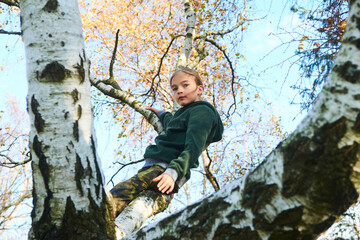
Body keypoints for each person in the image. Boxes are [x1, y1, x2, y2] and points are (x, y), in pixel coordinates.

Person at [110, 68, 224, 217]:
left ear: (199, 89)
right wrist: (161, 113)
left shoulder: (202, 111)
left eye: (185, 85)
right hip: (156, 168)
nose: (179, 91)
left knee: (117, 195)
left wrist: (172, 173)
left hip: (165, 169)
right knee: (126, 210)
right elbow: (172, 124)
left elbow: (193, 147)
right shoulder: (185, 112)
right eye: (174, 88)